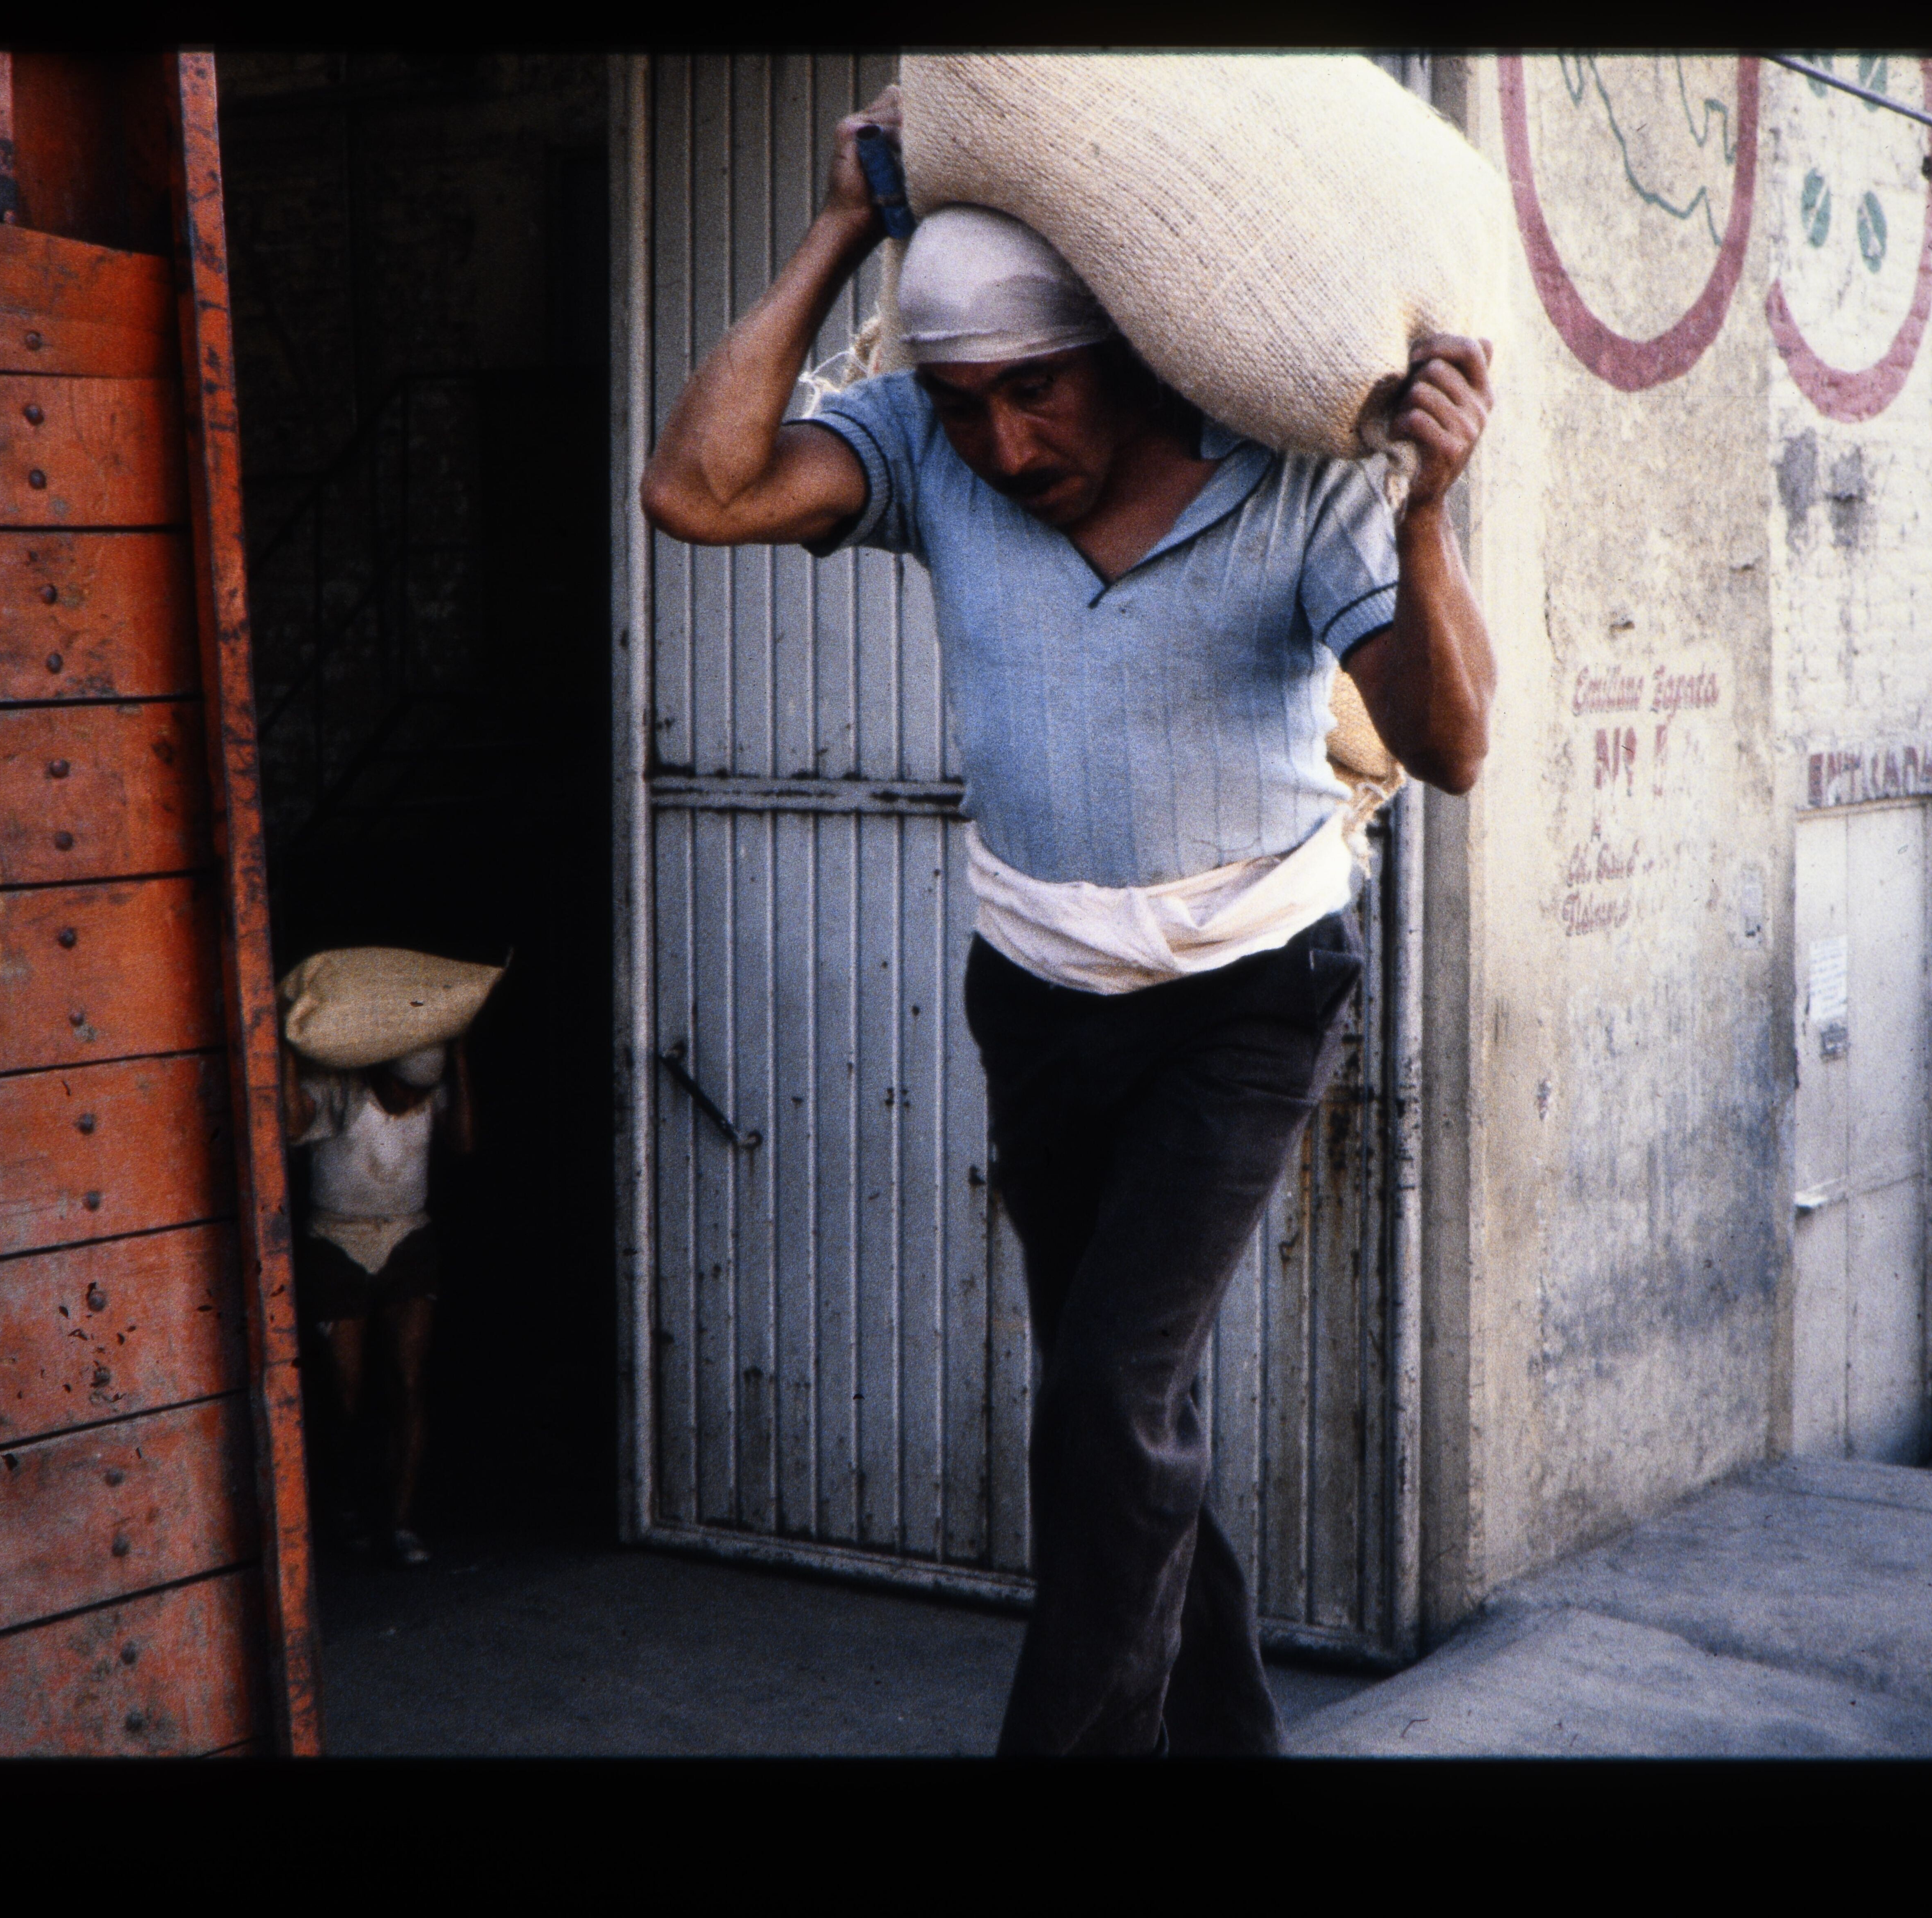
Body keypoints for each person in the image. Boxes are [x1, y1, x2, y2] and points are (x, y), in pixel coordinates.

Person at [639, 89, 1496, 1754]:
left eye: (1035, 391)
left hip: (1246, 995)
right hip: (1033, 990)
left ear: (1125, 354)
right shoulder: (919, 454)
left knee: (1108, 1392)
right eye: (965, 404)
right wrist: (842, 229)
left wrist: (1423, 513)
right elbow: (695, 488)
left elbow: (1453, 748)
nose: (1006, 447)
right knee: (1123, 1413)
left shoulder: (1297, 491)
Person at [282, 1035, 477, 1567]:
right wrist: (289, 1052)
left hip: (407, 1240)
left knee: (409, 1384)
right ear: (381, 1071)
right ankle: (346, 1507)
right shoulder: (340, 1089)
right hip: (337, 1242)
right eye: (402, 1088)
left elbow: (463, 1142)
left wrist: (460, 1058)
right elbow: (292, 1124)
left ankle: (400, 1521)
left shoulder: (429, 1095)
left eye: (420, 1092)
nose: (410, 1100)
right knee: (344, 1392)